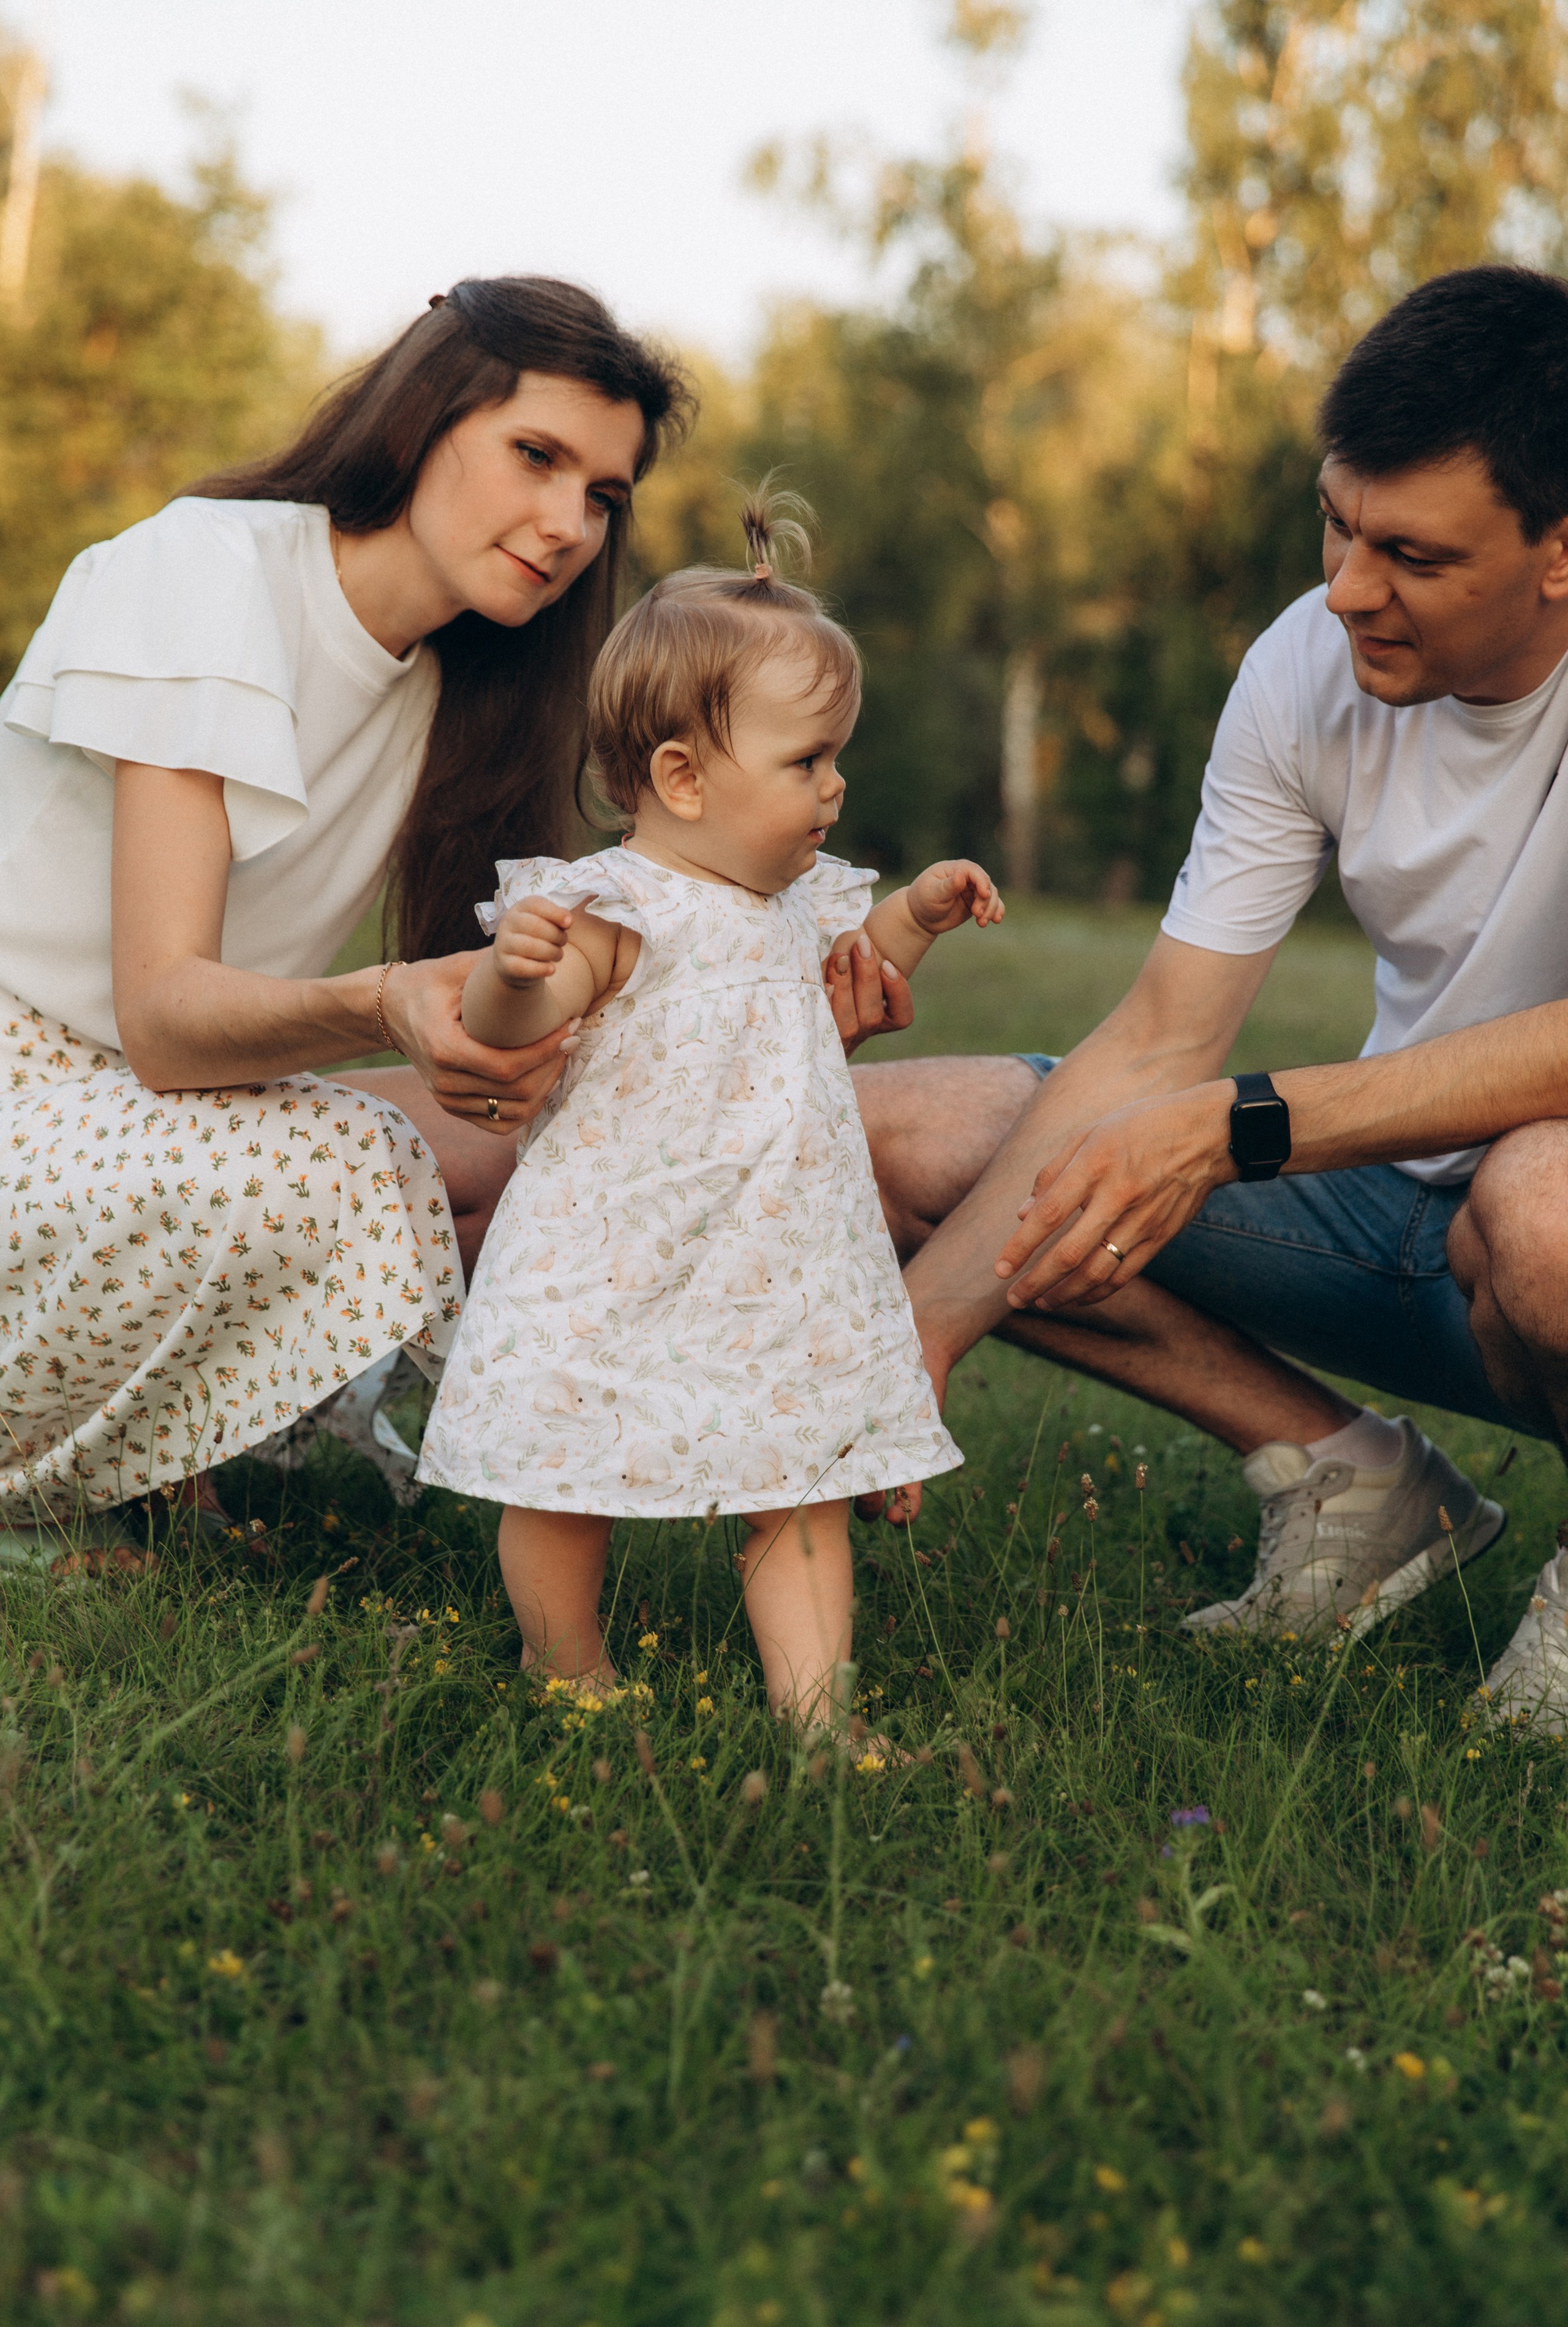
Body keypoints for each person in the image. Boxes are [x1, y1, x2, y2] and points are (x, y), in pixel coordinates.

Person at [854, 264, 1568, 1730]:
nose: (1347, 587)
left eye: (1411, 554)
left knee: (1540, 1206)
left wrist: (1237, 1126)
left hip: (1536, 1228)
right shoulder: (1306, 661)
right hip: (1398, 1226)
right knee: (891, 1145)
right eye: (1335, 523)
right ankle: (1356, 1487)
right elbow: (1162, 1036)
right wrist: (917, 1333)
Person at [0, 275, 689, 1541]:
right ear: (423, 419)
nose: (567, 525)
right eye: (535, 456)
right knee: (350, 1160)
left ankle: (162, 1452)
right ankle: (90, 1489)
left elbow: (517, 1020)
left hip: (153, 1115)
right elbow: (162, 1016)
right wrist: (382, 1003)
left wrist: (766, 990)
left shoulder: (463, 693)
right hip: (29, 1083)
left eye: (603, 495)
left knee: (569, 1147)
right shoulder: (206, 568)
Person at [416, 500, 1003, 1723]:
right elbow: (516, 1026)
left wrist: (916, 915)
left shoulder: (795, 896)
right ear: (682, 777)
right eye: (807, 762)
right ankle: (564, 1666)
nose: (835, 786)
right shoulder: (615, 908)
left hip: (777, 1262)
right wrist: (509, 974)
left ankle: (817, 1717)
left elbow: (855, 959)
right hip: (613, 1259)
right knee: (563, 1479)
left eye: (835, 758)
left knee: (801, 1485)